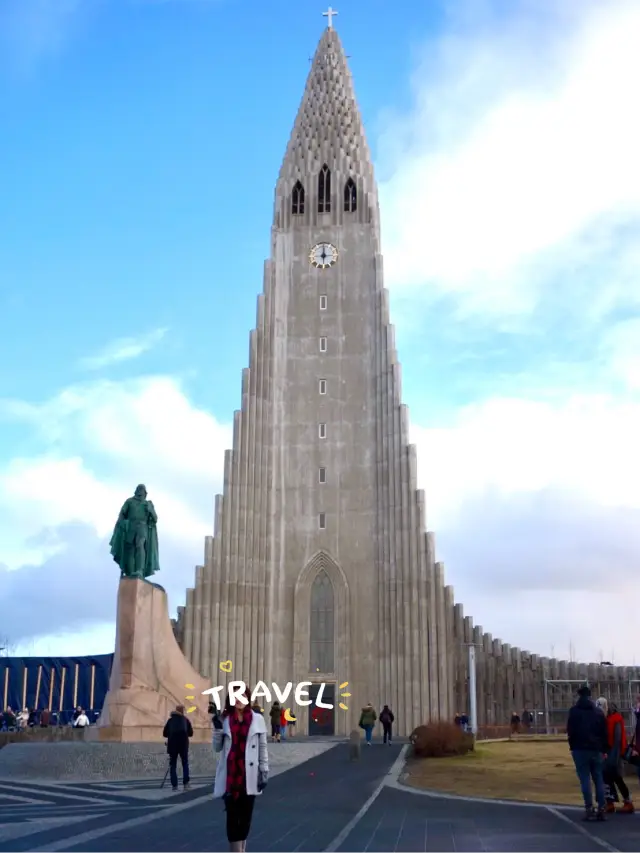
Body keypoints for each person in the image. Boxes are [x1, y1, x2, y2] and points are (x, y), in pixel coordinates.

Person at [213, 684, 269, 852]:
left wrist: (264, 770)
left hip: (249, 775)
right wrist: (216, 730)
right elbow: (217, 748)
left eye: (243, 695)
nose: (239, 699)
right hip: (230, 776)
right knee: (232, 818)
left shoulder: (257, 719)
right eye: (236, 696)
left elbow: (263, 746)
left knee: (245, 819)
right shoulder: (224, 720)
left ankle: (241, 850)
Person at [567, 685, 608, 821]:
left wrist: (572, 746)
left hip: (580, 748)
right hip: (595, 748)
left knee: (585, 779)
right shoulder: (598, 712)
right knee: (598, 778)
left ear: (579, 696)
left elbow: (570, 731)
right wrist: (604, 749)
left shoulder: (574, 711)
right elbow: (604, 732)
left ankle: (589, 808)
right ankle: (602, 807)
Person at [602, 701, 634, 813]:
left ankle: (627, 801)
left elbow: (617, 740)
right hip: (610, 753)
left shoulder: (616, 719)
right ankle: (610, 801)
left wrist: (614, 756)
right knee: (608, 778)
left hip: (615, 754)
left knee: (617, 778)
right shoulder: (609, 719)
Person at [163, 704, 193, 792]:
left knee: (173, 765)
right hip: (183, 745)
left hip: (172, 745)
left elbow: (164, 733)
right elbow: (191, 733)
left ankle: (174, 786)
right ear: (182, 711)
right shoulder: (186, 720)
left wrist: (171, 734)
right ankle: (186, 784)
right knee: (185, 763)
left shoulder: (170, 720)